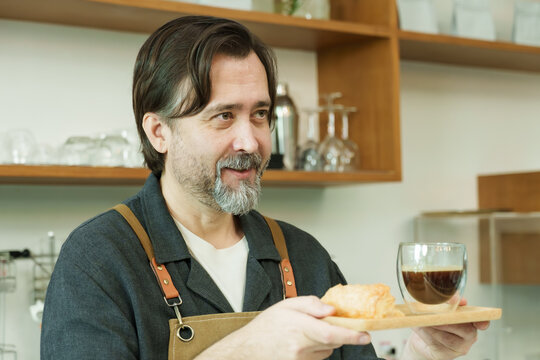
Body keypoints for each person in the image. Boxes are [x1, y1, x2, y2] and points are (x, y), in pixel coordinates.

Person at [41, 15, 489, 360]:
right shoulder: (97, 261)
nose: (250, 141)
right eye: (223, 116)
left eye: (259, 114)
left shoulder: (304, 256)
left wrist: (423, 352)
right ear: (159, 132)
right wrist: (249, 347)